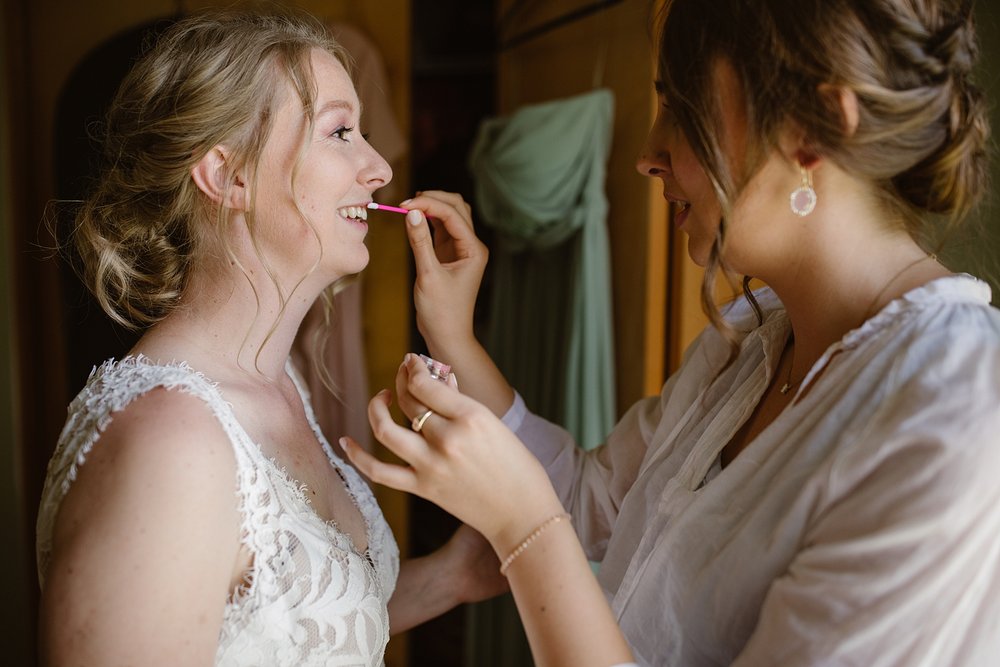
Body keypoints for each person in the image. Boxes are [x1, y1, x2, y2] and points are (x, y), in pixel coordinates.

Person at [343, 0, 1000, 665]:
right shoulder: (749, 340)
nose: (646, 156)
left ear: (815, 127)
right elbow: (583, 501)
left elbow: (545, 515)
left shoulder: (958, 411)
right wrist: (453, 336)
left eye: (681, 109)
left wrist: (523, 530)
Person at [35, 9, 506, 666]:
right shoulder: (170, 445)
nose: (377, 167)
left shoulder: (277, 381)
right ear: (229, 176)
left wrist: (455, 574)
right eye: (341, 132)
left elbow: (287, 632)